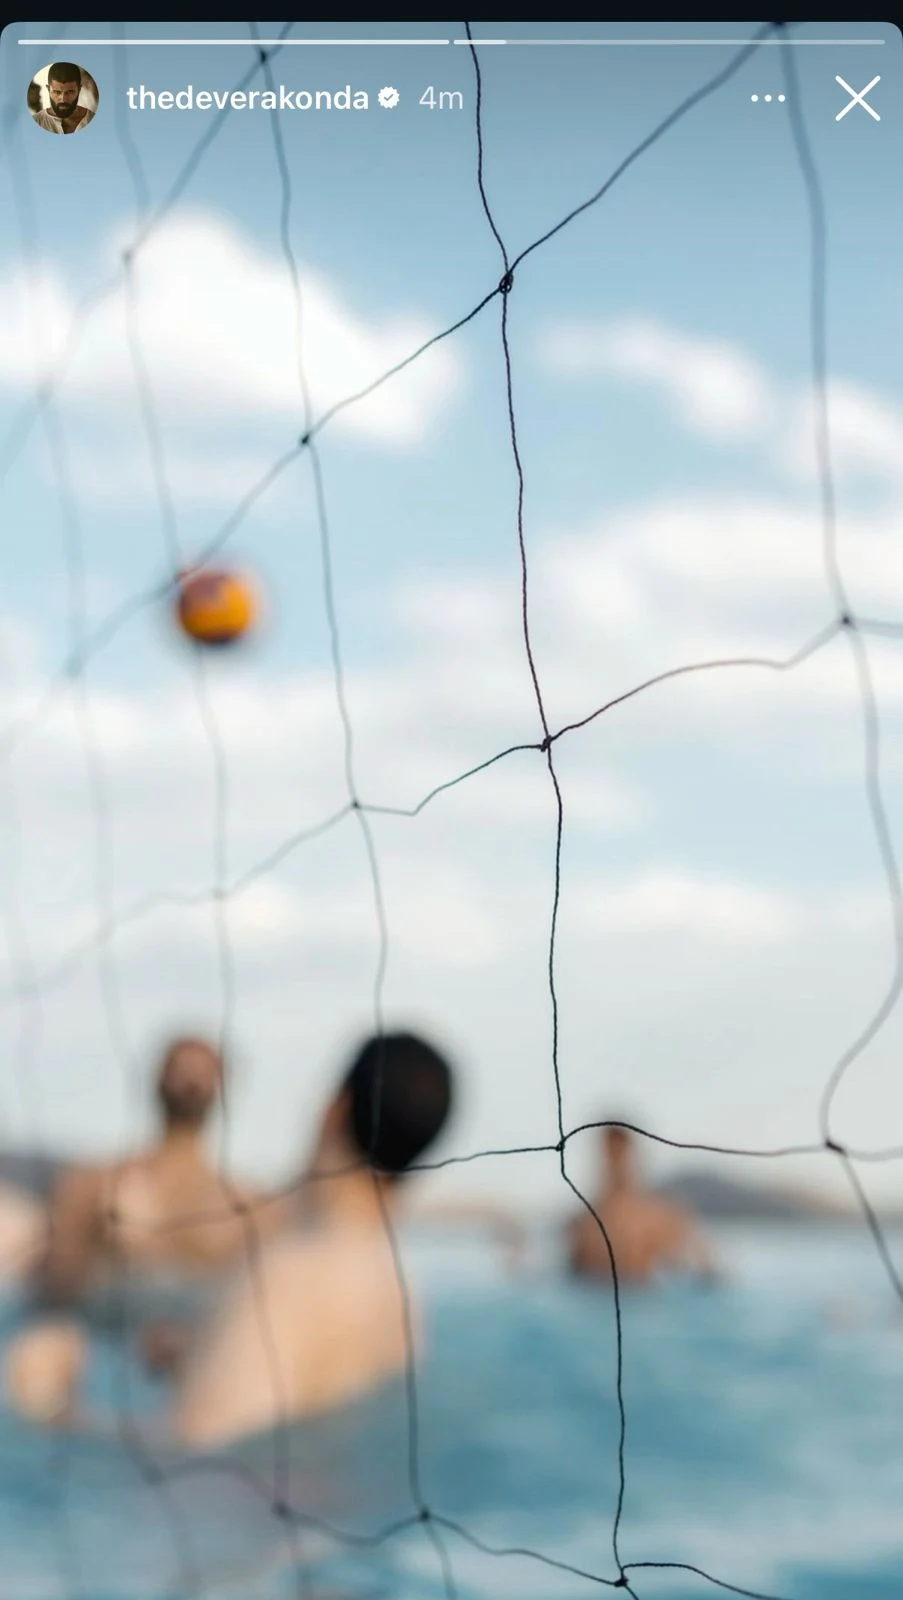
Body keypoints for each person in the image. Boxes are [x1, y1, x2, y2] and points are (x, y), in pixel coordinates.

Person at [6, 1030, 455, 1449]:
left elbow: (191, 1472)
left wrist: (52, 1411)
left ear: (334, 1110)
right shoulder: (401, 1289)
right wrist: (208, 1352)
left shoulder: (280, 1276)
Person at [33, 1036, 263, 1312]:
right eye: (182, 1070)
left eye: (202, 1073)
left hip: (198, 1347)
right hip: (104, 1338)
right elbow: (54, 1280)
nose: (191, 1080)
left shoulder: (249, 1204)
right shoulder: (96, 1183)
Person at [568, 1122, 715, 1286]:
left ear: (633, 1157)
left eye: (619, 1155)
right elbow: (572, 1278)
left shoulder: (664, 1216)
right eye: (609, 1156)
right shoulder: (582, 1224)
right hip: (596, 1302)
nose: (614, 1164)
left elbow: (707, 1273)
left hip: (646, 1303)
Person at [29, 62, 96, 136]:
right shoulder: (36, 121)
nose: (63, 99)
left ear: (79, 90)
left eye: (70, 92)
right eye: (57, 92)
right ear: (48, 89)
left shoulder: (94, 120)